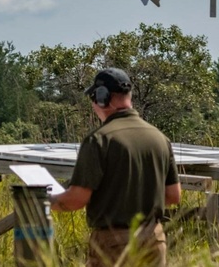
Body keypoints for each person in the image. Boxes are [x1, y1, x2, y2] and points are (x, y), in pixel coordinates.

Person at [50, 68, 181, 267]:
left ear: (102, 98)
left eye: (94, 98)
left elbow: (75, 201)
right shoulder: (160, 138)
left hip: (114, 244)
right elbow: (173, 196)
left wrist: (44, 201)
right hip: (154, 239)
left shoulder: (99, 140)